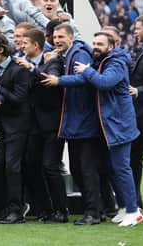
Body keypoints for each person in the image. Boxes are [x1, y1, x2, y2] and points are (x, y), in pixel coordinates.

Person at [74, 32, 143, 227]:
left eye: (100, 44)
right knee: (113, 169)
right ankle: (123, 207)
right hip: (110, 126)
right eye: (93, 42)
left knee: (121, 168)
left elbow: (104, 83)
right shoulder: (103, 60)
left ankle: (133, 210)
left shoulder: (117, 63)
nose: (95, 46)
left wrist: (87, 70)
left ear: (111, 47)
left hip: (119, 124)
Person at [41, 24, 102, 225]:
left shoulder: (79, 53)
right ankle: (93, 210)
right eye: (55, 37)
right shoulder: (68, 53)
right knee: (77, 169)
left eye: (61, 37)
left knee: (85, 169)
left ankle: (93, 212)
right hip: (76, 122)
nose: (57, 40)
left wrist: (59, 81)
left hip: (83, 121)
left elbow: (84, 78)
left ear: (71, 37)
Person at [15, 28, 68, 223]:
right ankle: (45, 209)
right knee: (30, 166)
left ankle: (61, 211)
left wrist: (30, 68)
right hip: (32, 125)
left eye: (25, 43)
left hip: (52, 125)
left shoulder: (52, 61)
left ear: (36, 45)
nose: (21, 46)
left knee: (50, 167)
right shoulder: (21, 62)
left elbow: (48, 80)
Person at [0, 33, 32, 224]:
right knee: (0, 166)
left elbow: (20, 97)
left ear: (0, 50)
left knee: (13, 167)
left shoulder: (19, 70)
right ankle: (4, 208)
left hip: (17, 127)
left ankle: (17, 210)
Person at [130, 15, 143, 211]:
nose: (135, 31)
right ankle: (135, 205)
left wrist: (138, 90)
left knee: (135, 159)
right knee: (134, 159)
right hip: (139, 117)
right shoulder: (141, 50)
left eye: (138, 27)